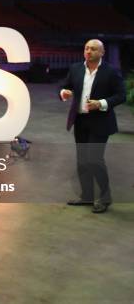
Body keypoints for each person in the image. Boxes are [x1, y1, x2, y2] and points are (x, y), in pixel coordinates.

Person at [59, 39, 125, 213]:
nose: (89, 51)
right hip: (80, 121)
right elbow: (65, 86)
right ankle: (87, 196)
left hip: (100, 122)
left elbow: (121, 95)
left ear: (102, 53)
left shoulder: (111, 71)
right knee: (82, 160)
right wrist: (64, 92)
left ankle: (105, 197)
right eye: (86, 48)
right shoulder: (76, 68)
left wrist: (102, 103)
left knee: (95, 160)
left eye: (93, 49)